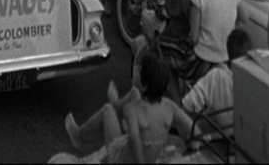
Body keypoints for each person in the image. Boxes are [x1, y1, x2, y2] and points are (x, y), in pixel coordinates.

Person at [64, 53, 194, 164]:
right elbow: (193, 128)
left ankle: (79, 136)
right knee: (133, 94)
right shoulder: (169, 106)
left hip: (119, 160)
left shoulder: (131, 110)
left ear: (144, 86)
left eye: (139, 70)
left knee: (107, 110)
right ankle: (113, 101)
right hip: (145, 154)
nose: (136, 69)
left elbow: (134, 140)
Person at [181, 29, 251, 137]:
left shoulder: (215, 76)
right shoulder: (254, 82)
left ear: (227, 51)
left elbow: (188, 105)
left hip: (220, 136)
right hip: (244, 140)